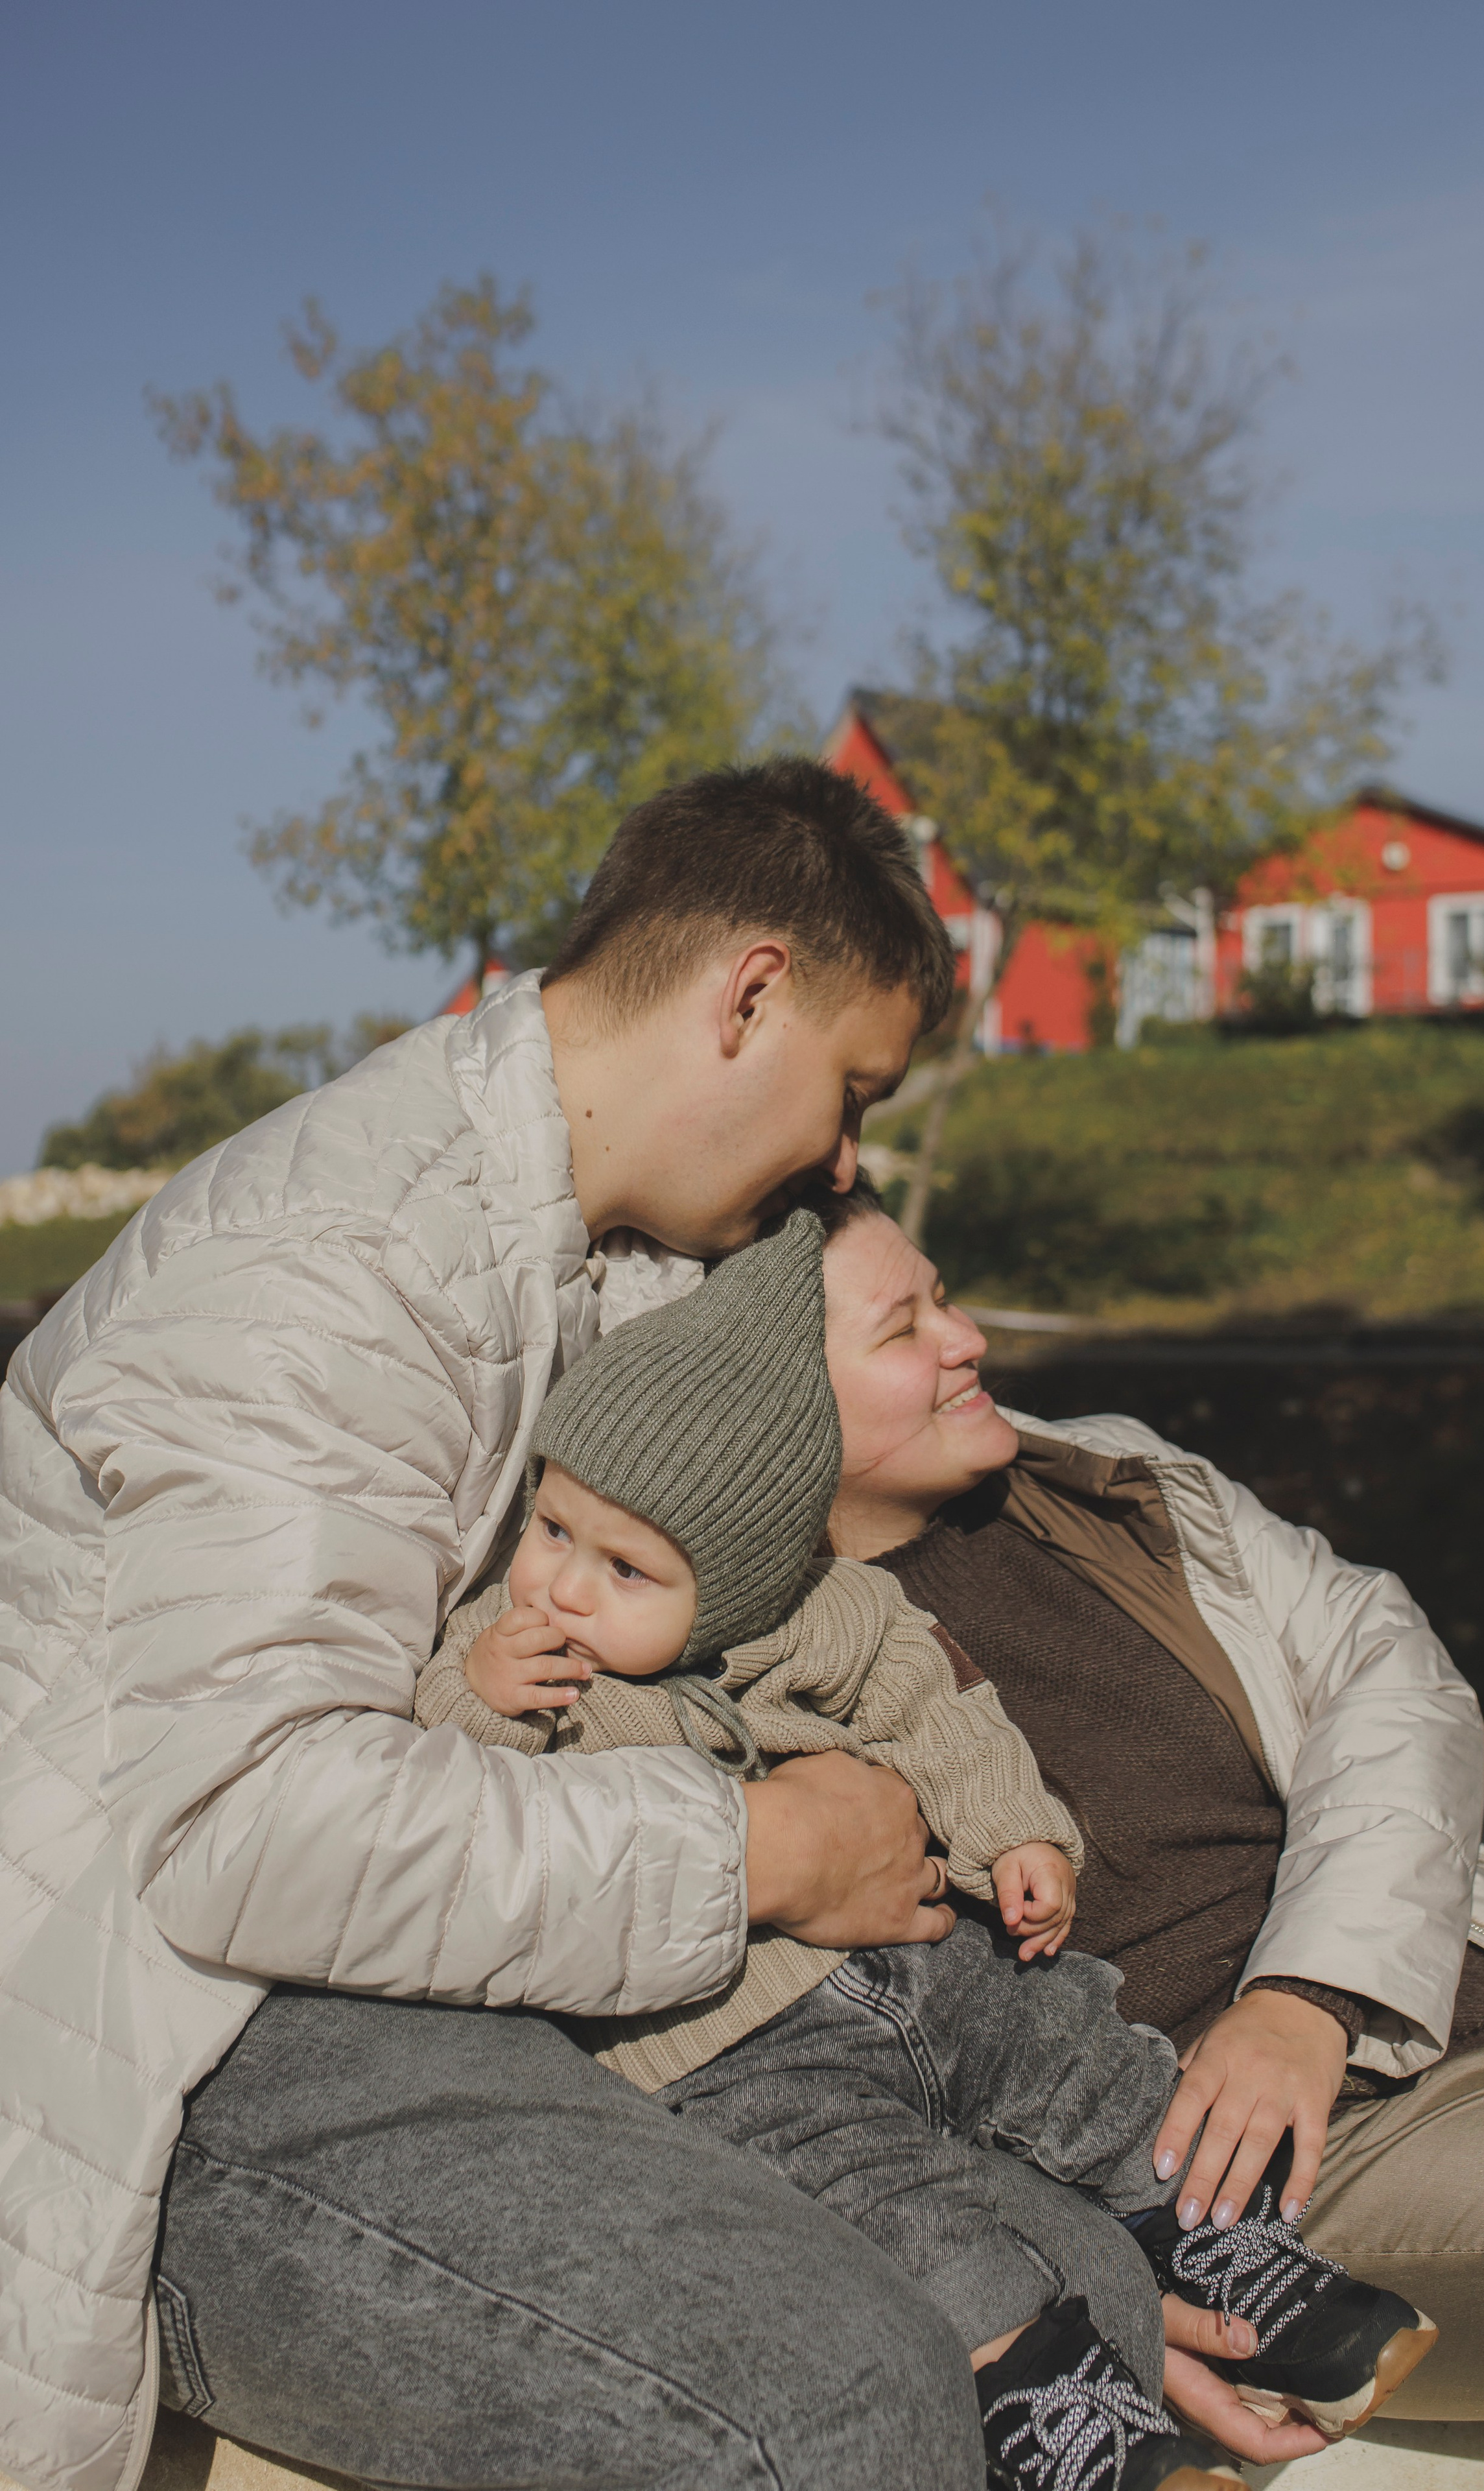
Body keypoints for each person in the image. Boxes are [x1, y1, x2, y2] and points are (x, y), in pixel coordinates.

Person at [0, 760, 1010, 2491]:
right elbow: (242, 1837)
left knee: (1023, 2245)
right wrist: (751, 1851)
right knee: (834, 2404)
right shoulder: (332, 1260)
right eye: (851, 1093)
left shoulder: (610, 1249)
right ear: (749, 993)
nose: (847, 1160)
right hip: (166, 2029)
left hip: (392, 1972)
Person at [418, 1204, 1435, 2490]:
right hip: (731, 2042)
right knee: (892, 2209)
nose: (561, 1583)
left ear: (738, 1568)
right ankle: (1079, 2430)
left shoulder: (831, 1611)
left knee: (1079, 2044)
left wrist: (1017, 1831)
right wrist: (483, 1699)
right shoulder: (521, 1663)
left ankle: (1235, 2257)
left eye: (622, 1566)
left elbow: (935, 1709)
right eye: (551, 1532)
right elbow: (444, 1807)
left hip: (938, 1963)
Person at [812, 1176, 1484, 2482]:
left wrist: (1305, 1993)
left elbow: (1387, 1671)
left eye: (944, 1296)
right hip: (1265, 2183)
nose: (966, 1335)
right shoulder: (763, 1680)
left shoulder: (1092, 1482)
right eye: (900, 1328)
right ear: (768, 1401)